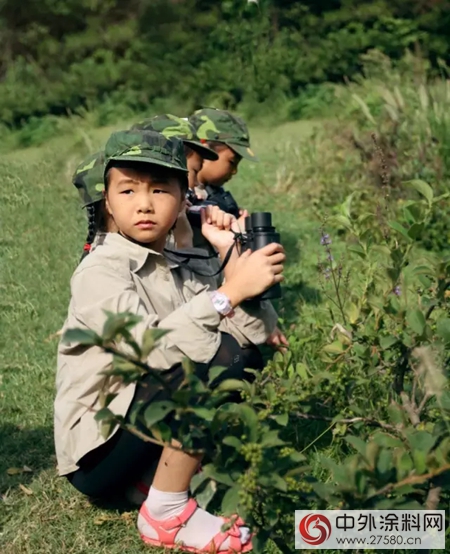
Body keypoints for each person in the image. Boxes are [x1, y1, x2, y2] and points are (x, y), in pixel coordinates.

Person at [55, 129, 285, 552]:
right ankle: (165, 514)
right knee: (200, 359)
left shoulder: (180, 261)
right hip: (97, 453)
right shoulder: (99, 270)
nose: (144, 203)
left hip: (136, 436)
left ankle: (151, 482)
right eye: (128, 190)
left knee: (239, 354)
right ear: (107, 201)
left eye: (161, 190)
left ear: (184, 200)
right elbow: (151, 350)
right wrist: (229, 293)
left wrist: (231, 254)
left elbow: (255, 337)